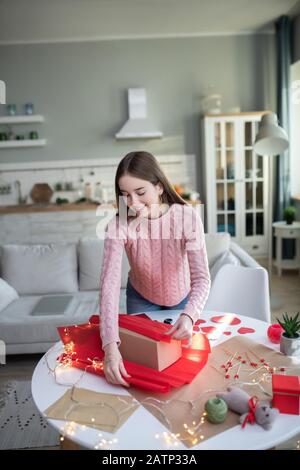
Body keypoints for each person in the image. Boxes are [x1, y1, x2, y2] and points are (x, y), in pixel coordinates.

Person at [99, 151, 211, 387]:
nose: (134, 204)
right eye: (125, 195)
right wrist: (110, 347)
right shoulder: (118, 226)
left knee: (179, 370)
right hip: (141, 297)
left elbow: (201, 278)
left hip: (181, 299)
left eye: (140, 193)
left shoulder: (187, 217)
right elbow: (109, 287)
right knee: (142, 364)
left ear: (159, 187)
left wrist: (189, 316)